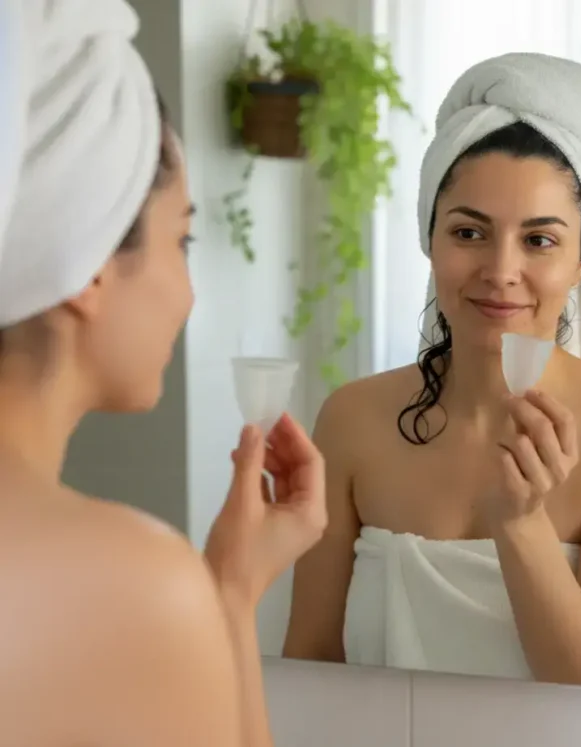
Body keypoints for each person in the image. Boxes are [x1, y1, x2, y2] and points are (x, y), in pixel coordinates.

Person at [284, 52, 581, 691]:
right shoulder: (352, 421)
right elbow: (309, 665)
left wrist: (521, 522)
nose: (501, 271)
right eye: (469, 233)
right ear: (430, 239)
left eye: (539, 240)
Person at [0, 2, 326, 745]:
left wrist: (229, 585)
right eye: (183, 238)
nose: (189, 289)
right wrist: (222, 599)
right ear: (85, 268)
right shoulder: (131, 591)